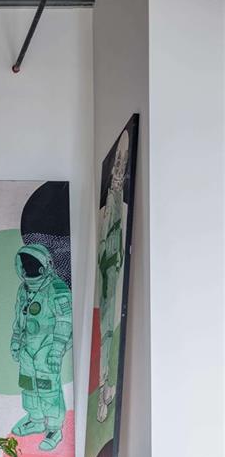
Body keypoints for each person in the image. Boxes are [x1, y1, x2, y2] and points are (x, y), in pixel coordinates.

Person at [9, 243, 72, 451]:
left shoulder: (57, 289)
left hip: (48, 347)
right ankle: (36, 420)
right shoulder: (24, 290)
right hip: (28, 347)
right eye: (25, 265)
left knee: (48, 388)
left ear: (45, 266)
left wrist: (56, 350)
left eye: (33, 265)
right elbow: (20, 317)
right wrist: (16, 341)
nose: (29, 269)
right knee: (28, 384)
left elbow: (65, 320)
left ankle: (54, 428)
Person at [95, 133, 128, 422]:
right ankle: (105, 387)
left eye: (121, 167)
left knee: (107, 330)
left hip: (111, 270)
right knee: (105, 330)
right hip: (108, 270)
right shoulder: (110, 213)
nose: (118, 171)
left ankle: (105, 387)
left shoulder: (115, 213)